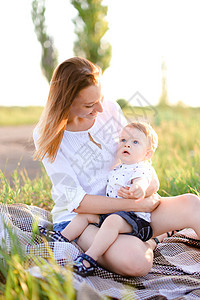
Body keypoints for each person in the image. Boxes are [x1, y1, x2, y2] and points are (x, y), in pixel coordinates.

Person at [33, 57, 200, 277]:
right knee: (137, 262)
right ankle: (151, 242)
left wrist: (146, 189)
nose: (100, 108)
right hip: (84, 219)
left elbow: (142, 162)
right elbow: (79, 202)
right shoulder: (48, 135)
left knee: (192, 204)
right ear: (66, 102)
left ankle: (145, 237)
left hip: (129, 211)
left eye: (100, 98)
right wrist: (136, 204)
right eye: (90, 105)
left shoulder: (109, 109)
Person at [47, 121, 158, 277]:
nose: (127, 145)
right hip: (117, 213)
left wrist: (139, 188)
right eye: (123, 141)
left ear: (147, 154)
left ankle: (90, 258)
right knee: (85, 215)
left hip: (136, 219)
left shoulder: (141, 168)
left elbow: (143, 180)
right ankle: (62, 238)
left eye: (135, 142)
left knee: (113, 221)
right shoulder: (119, 168)